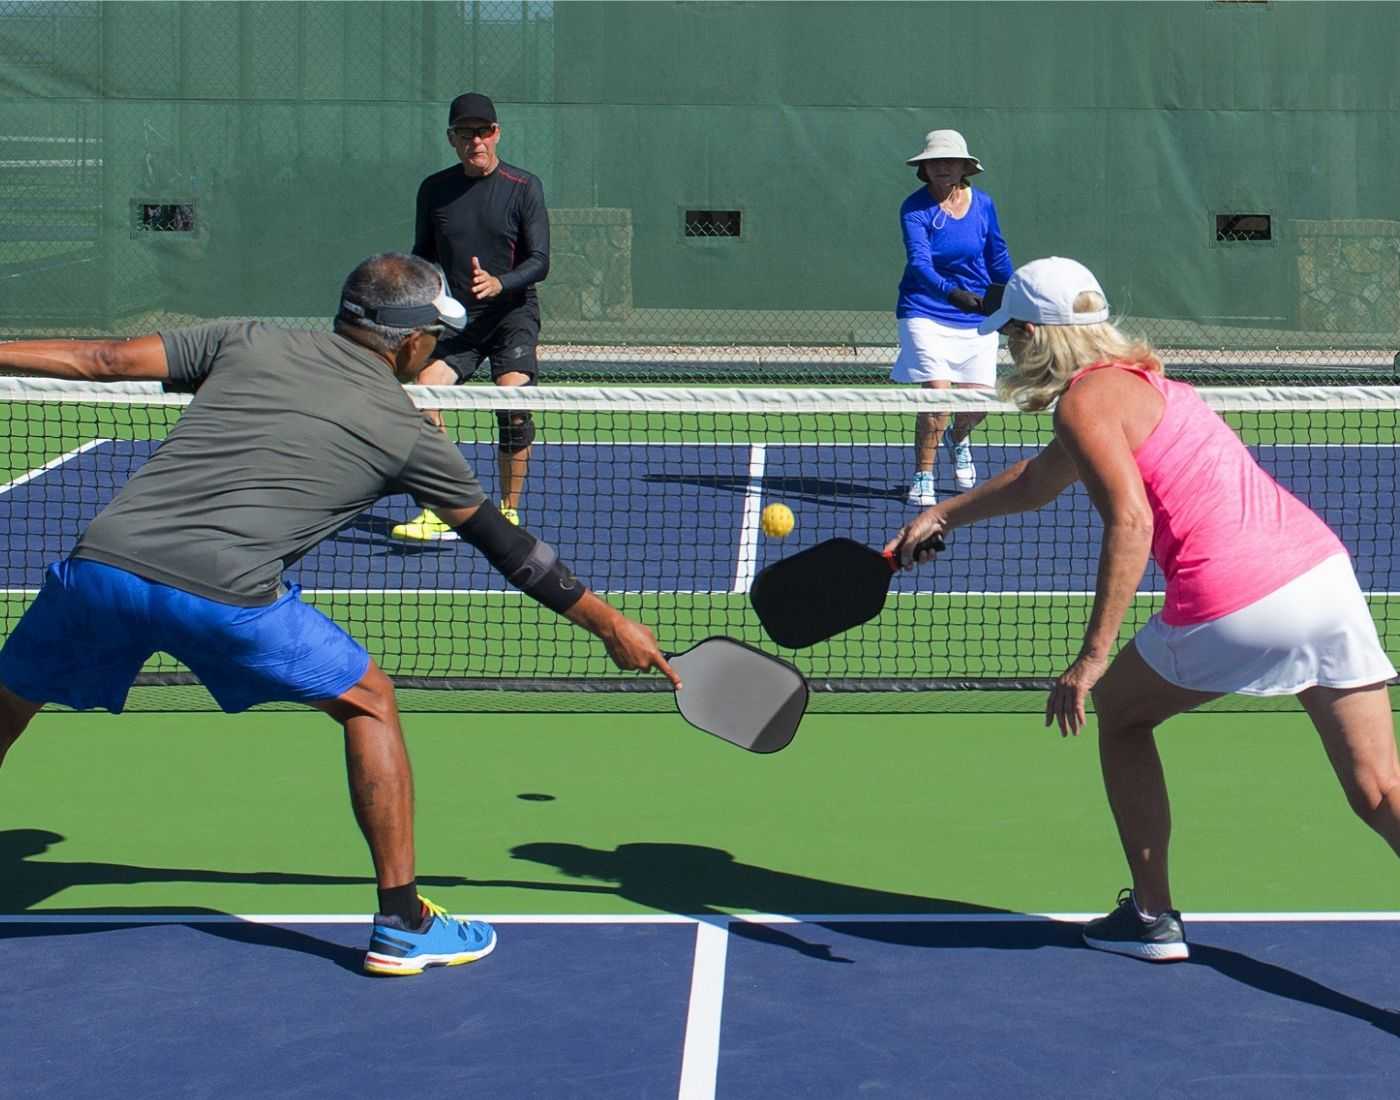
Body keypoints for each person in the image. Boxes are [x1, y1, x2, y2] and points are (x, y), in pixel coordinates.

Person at [0, 252, 681, 976]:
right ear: (411, 342)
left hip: (99, 567)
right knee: (370, 702)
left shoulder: (246, 339)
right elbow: (509, 548)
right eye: (435, 338)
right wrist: (612, 624)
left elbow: (102, 358)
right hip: (225, 595)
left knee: (8, 701)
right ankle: (402, 922)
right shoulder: (409, 431)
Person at [886, 256, 1399, 962]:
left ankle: (1153, 917)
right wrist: (945, 512)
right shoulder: (1147, 386)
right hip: (1323, 577)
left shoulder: (1084, 403)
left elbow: (1131, 522)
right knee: (1380, 791)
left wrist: (1091, 658)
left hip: (1236, 598)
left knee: (1122, 713)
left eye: (1012, 334)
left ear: (1037, 334)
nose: (1007, 346)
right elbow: (1038, 481)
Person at [391, 91, 550, 539]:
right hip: (458, 323)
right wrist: (426, 295)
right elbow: (422, 255)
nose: (475, 141)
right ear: (452, 139)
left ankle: (508, 510)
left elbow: (541, 260)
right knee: (424, 397)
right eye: (466, 133)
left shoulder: (524, 188)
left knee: (513, 405)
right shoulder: (435, 190)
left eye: (483, 132)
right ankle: (445, 508)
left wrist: (501, 283)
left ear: (496, 134)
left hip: (512, 318)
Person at [893, 129, 1013, 506]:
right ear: (924, 169)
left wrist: (1012, 297)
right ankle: (923, 475)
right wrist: (953, 294)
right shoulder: (914, 209)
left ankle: (958, 439)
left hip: (976, 314)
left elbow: (997, 255)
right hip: (925, 309)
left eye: (950, 161)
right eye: (934, 162)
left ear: (964, 167)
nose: (942, 167)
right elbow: (920, 264)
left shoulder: (984, 205)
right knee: (937, 399)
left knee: (976, 405)